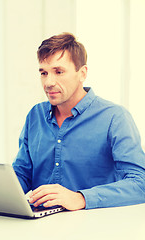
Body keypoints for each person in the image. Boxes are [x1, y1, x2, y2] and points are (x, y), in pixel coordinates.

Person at [12, 32, 145, 211]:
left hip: (93, 229)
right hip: (38, 227)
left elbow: (140, 184)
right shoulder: (35, 115)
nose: (49, 82)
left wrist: (80, 198)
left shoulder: (115, 117)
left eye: (59, 72)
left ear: (82, 73)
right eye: (44, 73)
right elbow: (22, 175)